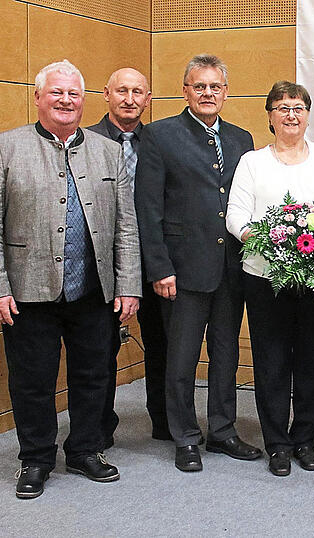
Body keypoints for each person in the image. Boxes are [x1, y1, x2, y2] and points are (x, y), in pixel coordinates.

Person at [0, 60, 141, 498]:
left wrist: (129, 283)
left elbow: (126, 225)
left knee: (94, 375)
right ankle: (36, 458)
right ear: (38, 97)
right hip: (29, 290)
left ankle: (86, 450)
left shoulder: (108, 151)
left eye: (73, 94)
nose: (65, 101)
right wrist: (1, 287)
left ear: (85, 100)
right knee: (33, 380)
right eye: (56, 93)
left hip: (93, 290)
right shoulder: (7, 148)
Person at [136, 54, 259, 473]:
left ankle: (222, 431)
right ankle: (185, 436)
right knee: (182, 359)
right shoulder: (158, 136)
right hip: (182, 270)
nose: (208, 93)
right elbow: (147, 209)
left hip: (231, 268)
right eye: (199, 86)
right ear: (185, 90)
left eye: (215, 87)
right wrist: (159, 268)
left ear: (226, 91)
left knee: (226, 355)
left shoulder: (243, 139)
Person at [226, 81, 314, 477]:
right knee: (271, 361)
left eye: (298, 107)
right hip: (263, 277)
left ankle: (305, 440)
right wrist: (275, 243)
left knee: (311, 360)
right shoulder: (253, 162)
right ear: (270, 115)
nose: (291, 114)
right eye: (282, 107)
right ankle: (277, 443)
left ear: (308, 114)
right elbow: (235, 216)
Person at [87, 67, 171, 447]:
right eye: (122, 90)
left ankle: (165, 422)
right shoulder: (86, 141)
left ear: (148, 98)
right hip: (104, 264)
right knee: (100, 350)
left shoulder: (159, 141)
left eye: (139, 91)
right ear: (106, 94)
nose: (130, 98)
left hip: (155, 258)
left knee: (162, 346)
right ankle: (99, 428)